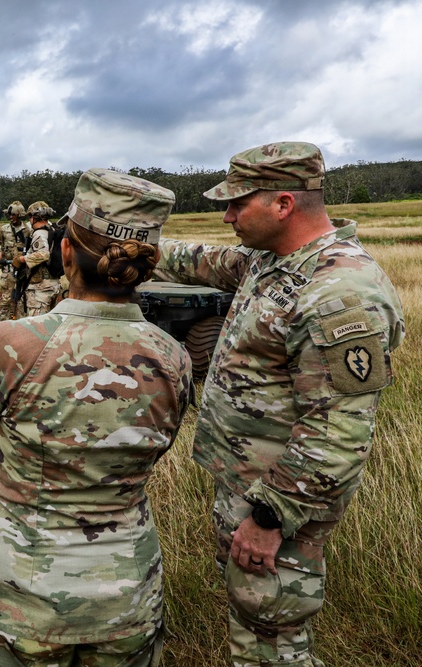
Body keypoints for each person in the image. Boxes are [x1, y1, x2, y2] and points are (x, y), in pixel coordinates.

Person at [153, 142, 405, 667]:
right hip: (251, 487)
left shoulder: (338, 292)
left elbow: (337, 432)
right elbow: (203, 261)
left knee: (272, 640)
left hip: (281, 501)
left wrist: (271, 517)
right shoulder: (274, 262)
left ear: (283, 204)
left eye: (236, 204)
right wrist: (120, 239)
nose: (226, 217)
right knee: (255, 623)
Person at [0, 169, 192, 667]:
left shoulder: (10, 344)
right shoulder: (174, 358)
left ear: (65, 252)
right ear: (146, 266)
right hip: (126, 595)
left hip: (18, 596)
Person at [14, 200, 62, 316]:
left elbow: (44, 254)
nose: (29, 221)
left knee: (37, 326)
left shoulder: (39, 233)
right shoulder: (52, 230)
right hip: (53, 284)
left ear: (35, 217)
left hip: (41, 289)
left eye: (30, 217)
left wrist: (22, 259)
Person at [0, 200, 30, 320]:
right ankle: (3, 321)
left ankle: (21, 320)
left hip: (24, 268)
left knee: (23, 296)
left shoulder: (29, 230)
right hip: (8, 269)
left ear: (19, 215)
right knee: (6, 297)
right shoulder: (1, 230)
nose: (11, 217)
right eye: (9, 215)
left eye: (13, 215)